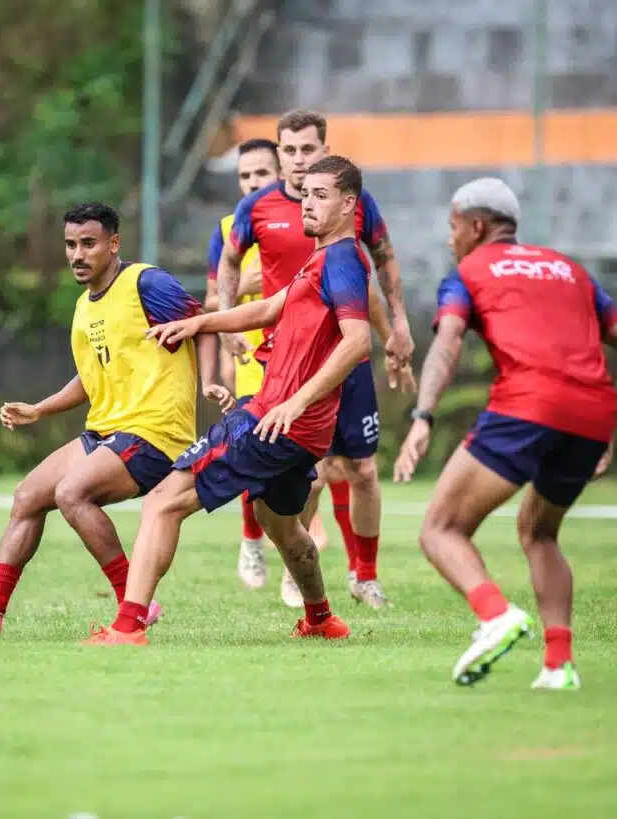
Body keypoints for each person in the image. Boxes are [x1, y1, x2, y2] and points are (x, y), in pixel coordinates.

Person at [85, 156, 372, 646]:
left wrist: (294, 402)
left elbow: (358, 340)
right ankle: (321, 619)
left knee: (163, 502)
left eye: (321, 195)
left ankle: (128, 627)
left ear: (348, 205)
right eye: (305, 194)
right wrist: (199, 323)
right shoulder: (321, 258)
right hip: (297, 433)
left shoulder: (343, 259)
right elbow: (265, 308)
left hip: (273, 420)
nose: (308, 203)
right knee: (280, 525)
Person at [0, 202, 234, 642]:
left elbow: (202, 324)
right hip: (107, 431)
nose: (77, 254)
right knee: (28, 496)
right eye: (70, 244)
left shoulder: (147, 283)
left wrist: (210, 382)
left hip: (155, 434)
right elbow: (92, 378)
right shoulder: (84, 307)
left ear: (113, 243)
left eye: (88, 243)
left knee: (72, 493)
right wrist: (40, 409)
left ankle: (134, 598)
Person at [393, 177, 617, 689]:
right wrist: (608, 425)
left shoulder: (469, 271)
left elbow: (445, 344)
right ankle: (559, 665)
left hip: (528, 405)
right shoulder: (569, 269)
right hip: (591, 411)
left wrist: (422, 417)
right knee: (539, 532)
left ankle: (494, 615)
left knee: (440, 530)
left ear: (477, 226)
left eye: (453, 227)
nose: (451, 239)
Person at [215, 109, 414, 608]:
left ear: (325, 149)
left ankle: (364, 576)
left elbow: (380, 260)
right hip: (288, 359)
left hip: (347, 353)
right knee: (316, 469)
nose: (300, 159)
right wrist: (224, 316)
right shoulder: (258, 207)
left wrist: (398, 326)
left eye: (309, 149)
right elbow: (229, 260)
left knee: (363, 470)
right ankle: (294, 561)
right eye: (290, 149)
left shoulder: (352, 202)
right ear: (278, 151)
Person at [203, 138, 282, 589]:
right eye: (245, 176)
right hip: (254, 360)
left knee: (320, 471)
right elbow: (212, 300)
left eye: (261, 174)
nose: (252, 183)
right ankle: (252, 541)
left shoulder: (304, 220)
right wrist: (247, 282)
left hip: (305, 360)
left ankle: (308, 558)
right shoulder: (229, 228)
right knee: (253, 456)